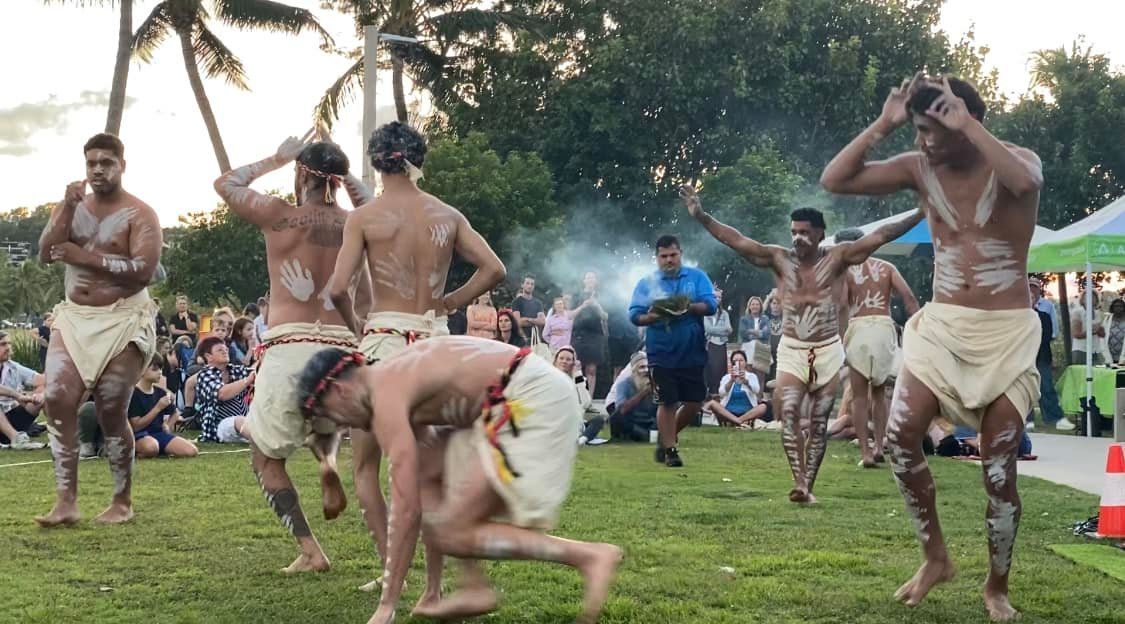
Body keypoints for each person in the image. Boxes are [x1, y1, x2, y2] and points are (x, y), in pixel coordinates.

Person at [820, 73, 1045, 621]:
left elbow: (1024, 182)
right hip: (941, 325)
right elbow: (836, 180)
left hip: (1006, 330)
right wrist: (884, 123)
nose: (922, 140)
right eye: (917, 129)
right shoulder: (921, 168)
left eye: (931, 129)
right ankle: (935, 557)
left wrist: (967, 124)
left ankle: (997, 585)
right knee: (899, 440)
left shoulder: (1015, 159)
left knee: (998, 466)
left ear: (962, 119)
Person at [294, 338, 622, 624]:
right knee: (431, 487)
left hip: (529, 398)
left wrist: (386, 606)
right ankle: (470, 588)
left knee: (453, 531)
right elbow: (424, 482)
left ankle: (589, 556)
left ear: (338, 389)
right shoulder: (394, 375)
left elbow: (405, 510)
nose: (338, 425)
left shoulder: (386, 396)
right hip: (512, 395)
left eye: (329, 415)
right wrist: (429, 587)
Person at [327, 120, 505, 602]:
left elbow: (338, 289)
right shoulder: (446, 214)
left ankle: (392, 573)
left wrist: (359, 326)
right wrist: (451, 301)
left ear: (377, 163)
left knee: (366, 467)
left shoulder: (364, 218)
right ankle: (431, 587)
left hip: (384, 340)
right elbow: (494, 269)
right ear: (417, 159)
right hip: (435, 343)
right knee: (429, 473)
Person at [682, 185, 922, 501]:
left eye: (805, 233)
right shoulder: (779, 258)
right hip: (793, 347)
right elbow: (737, 240)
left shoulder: (839, 258)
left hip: (826, 349)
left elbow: (881, 235)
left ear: (820, 234)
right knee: (790, 414)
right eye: (794, 231)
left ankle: (809, 483)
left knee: (820, 422)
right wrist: (701, 216)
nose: (797, 238)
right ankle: (799, 482)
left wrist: (921, 212)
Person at [214, 132, 375, 573]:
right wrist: (347, 179)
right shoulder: (360, 223)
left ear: (301, 173)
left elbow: (225, 184)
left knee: (265, 457)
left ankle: (310, 550)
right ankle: (326, 460)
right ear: (337, 181)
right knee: (322, 424)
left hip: (290, 346)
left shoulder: (279, 215)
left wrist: (277, 157)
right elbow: (378, 205)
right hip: (343, 351)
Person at [36, 133, 162, 527]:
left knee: (110, 405)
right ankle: (66, 502)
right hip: (75, 316)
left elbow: (143, 271)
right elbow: (45, 253)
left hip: (124, 317)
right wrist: (64, 209)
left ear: (122, 165)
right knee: (56, 398)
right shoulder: (74, 209)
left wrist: (84, 258)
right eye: (91, 163)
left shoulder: (140, 214)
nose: (98, 169)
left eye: (106, 162)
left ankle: (121, 501)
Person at [628, 235, 717, 467]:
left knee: (695, 402)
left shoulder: (697, 277)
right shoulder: (646, 283)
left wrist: (688, 307)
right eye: (664, 256)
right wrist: (653, 315)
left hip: (693, 349)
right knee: (667, 401)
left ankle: (666, 438)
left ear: (680, 254)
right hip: (660, 351)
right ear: (656, 258)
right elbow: (634, 315)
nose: (669, 260)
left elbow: (711, 305)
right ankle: (670, 451)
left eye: (673, 255)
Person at [835, 227, 920, 468]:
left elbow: (842, 305)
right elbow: (910, 299)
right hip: (884, 327)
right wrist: (918, 334)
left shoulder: (845, 272)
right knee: (880, 391)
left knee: (859, 396)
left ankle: (866, 452)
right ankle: (880, 445)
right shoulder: (887, 268)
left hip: (859, 327)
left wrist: (840, 338)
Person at [128, 354, 198, 458]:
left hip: (159, 433)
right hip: (139, 435)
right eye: (154, 369)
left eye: (161, 368)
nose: (160, 372)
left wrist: (167, 425)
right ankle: (137, 452)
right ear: (141, 370)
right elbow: (136, 426)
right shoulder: (133, 394)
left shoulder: (160, 392)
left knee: (191, 451)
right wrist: (158, 408)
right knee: (151, 447)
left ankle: (160, 449)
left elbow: (175, 413)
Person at [1029, 278, 1072, 431]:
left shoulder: (1045, 314)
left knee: (1046, 386)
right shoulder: (1019, 316)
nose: (1031, 295)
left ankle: (1054, 418)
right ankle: (1028, 419)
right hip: (1024, 358)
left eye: (1034, 290)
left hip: (1042, 356)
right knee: (1026, 388)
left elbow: (1049, 334)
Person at [194, 336, 252, 445]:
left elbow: (255, 372)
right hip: (218, 427)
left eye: (226, 350)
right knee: (239, 421)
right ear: (208, 356)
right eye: (220, 350)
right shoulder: (205, 374)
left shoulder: (235, 370)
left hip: (243, 423)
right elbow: (222, 393)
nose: (225, 352)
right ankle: (264, 442)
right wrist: (247, 381)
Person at [0, 332, 47, 450]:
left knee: (43, 397)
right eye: (3, 344)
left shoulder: (13, 367)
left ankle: (59, 434)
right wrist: (18, 396)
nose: (8, 348)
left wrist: (39, 394)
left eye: (9, 344)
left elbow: (43, 380)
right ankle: (16, 438)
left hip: (10, 418)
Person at [705, 350, 772, 428]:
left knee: (763, 406)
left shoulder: (751, 376)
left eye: (741, 360)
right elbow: (721, 393)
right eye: (735, 361)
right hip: (729, 412)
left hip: (748, 411)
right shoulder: (726, 377)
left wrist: (746, 382)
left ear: (745, 363)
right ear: (732, 364)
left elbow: (756, 390)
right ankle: (738, 421)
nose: (738, 363)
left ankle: (738, 420)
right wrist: (731, 381)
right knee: (713, 403)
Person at [571, 271, 610, 392]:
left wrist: (596, 305)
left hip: (595, 335)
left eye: (592, 278)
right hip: (578, 334)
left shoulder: (601, 296)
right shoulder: (577, 295)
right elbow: (569, 315)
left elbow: (605, 317)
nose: (590, 280)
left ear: (596, 282)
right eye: (588, 278)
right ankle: (578, 398)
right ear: (584, 281)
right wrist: (583, 305)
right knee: (576, 367)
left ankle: (589, 401)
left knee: (591, 369)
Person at [608, 351, 658, 442]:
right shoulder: (624, 384)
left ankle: (651, 437)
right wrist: (644, 393)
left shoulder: (656, 382)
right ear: (634, 370)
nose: (646, 370)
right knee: (616, 417)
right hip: (633, 423)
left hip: (651, 423)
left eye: (648, 367)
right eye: (642, 367)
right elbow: (621, 410)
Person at [704, 289, 733, 396]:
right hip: (710, 344)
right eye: (715, 297)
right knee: (711, 370)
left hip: (721, 345)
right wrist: (722, 330)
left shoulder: (724, 313)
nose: (717, 299)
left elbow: (729, 329)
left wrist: (715, 329)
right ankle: (711, 393)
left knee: (720, 369)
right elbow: (707, 329)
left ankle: (720, 393)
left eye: (719, 297)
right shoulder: (705, 313)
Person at [510, 275, 546, 342]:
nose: (530, 286)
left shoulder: (538, 303)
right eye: (527, 283)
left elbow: (542, 321)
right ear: (522, 285)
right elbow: (517, 322)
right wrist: (535, 321)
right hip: (521, 339)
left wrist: (528, 320)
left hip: (535, 339)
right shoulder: (516, 302)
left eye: (532, 284)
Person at [1102, 296, 1125, 365]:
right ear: (1112, 308)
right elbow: (1102, 336)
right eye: (1116, 306)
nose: (1118, 308)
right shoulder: (1107, 319)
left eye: (1120, 306)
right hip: (1110, 353)